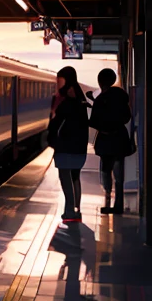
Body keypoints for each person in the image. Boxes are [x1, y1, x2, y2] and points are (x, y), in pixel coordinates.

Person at [47, 65, 89, 223]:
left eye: (60, 81)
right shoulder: (80, 97)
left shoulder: (67, 99)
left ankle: (70, 209)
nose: (58, 84)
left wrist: (53, 138)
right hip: (77, 145)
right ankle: (75, 208)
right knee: (74, 176)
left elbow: (57, 121)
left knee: (65, 176)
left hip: (66, 145)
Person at [88, 68, 131, 215]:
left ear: (100, 81)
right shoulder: (121, 96)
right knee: (119, 175)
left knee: (106, 171)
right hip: (120, 138)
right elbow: (127, 117)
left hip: (106, 140)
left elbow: (93, 122)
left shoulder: (100, 100)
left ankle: (107, 200)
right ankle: (118, 205)